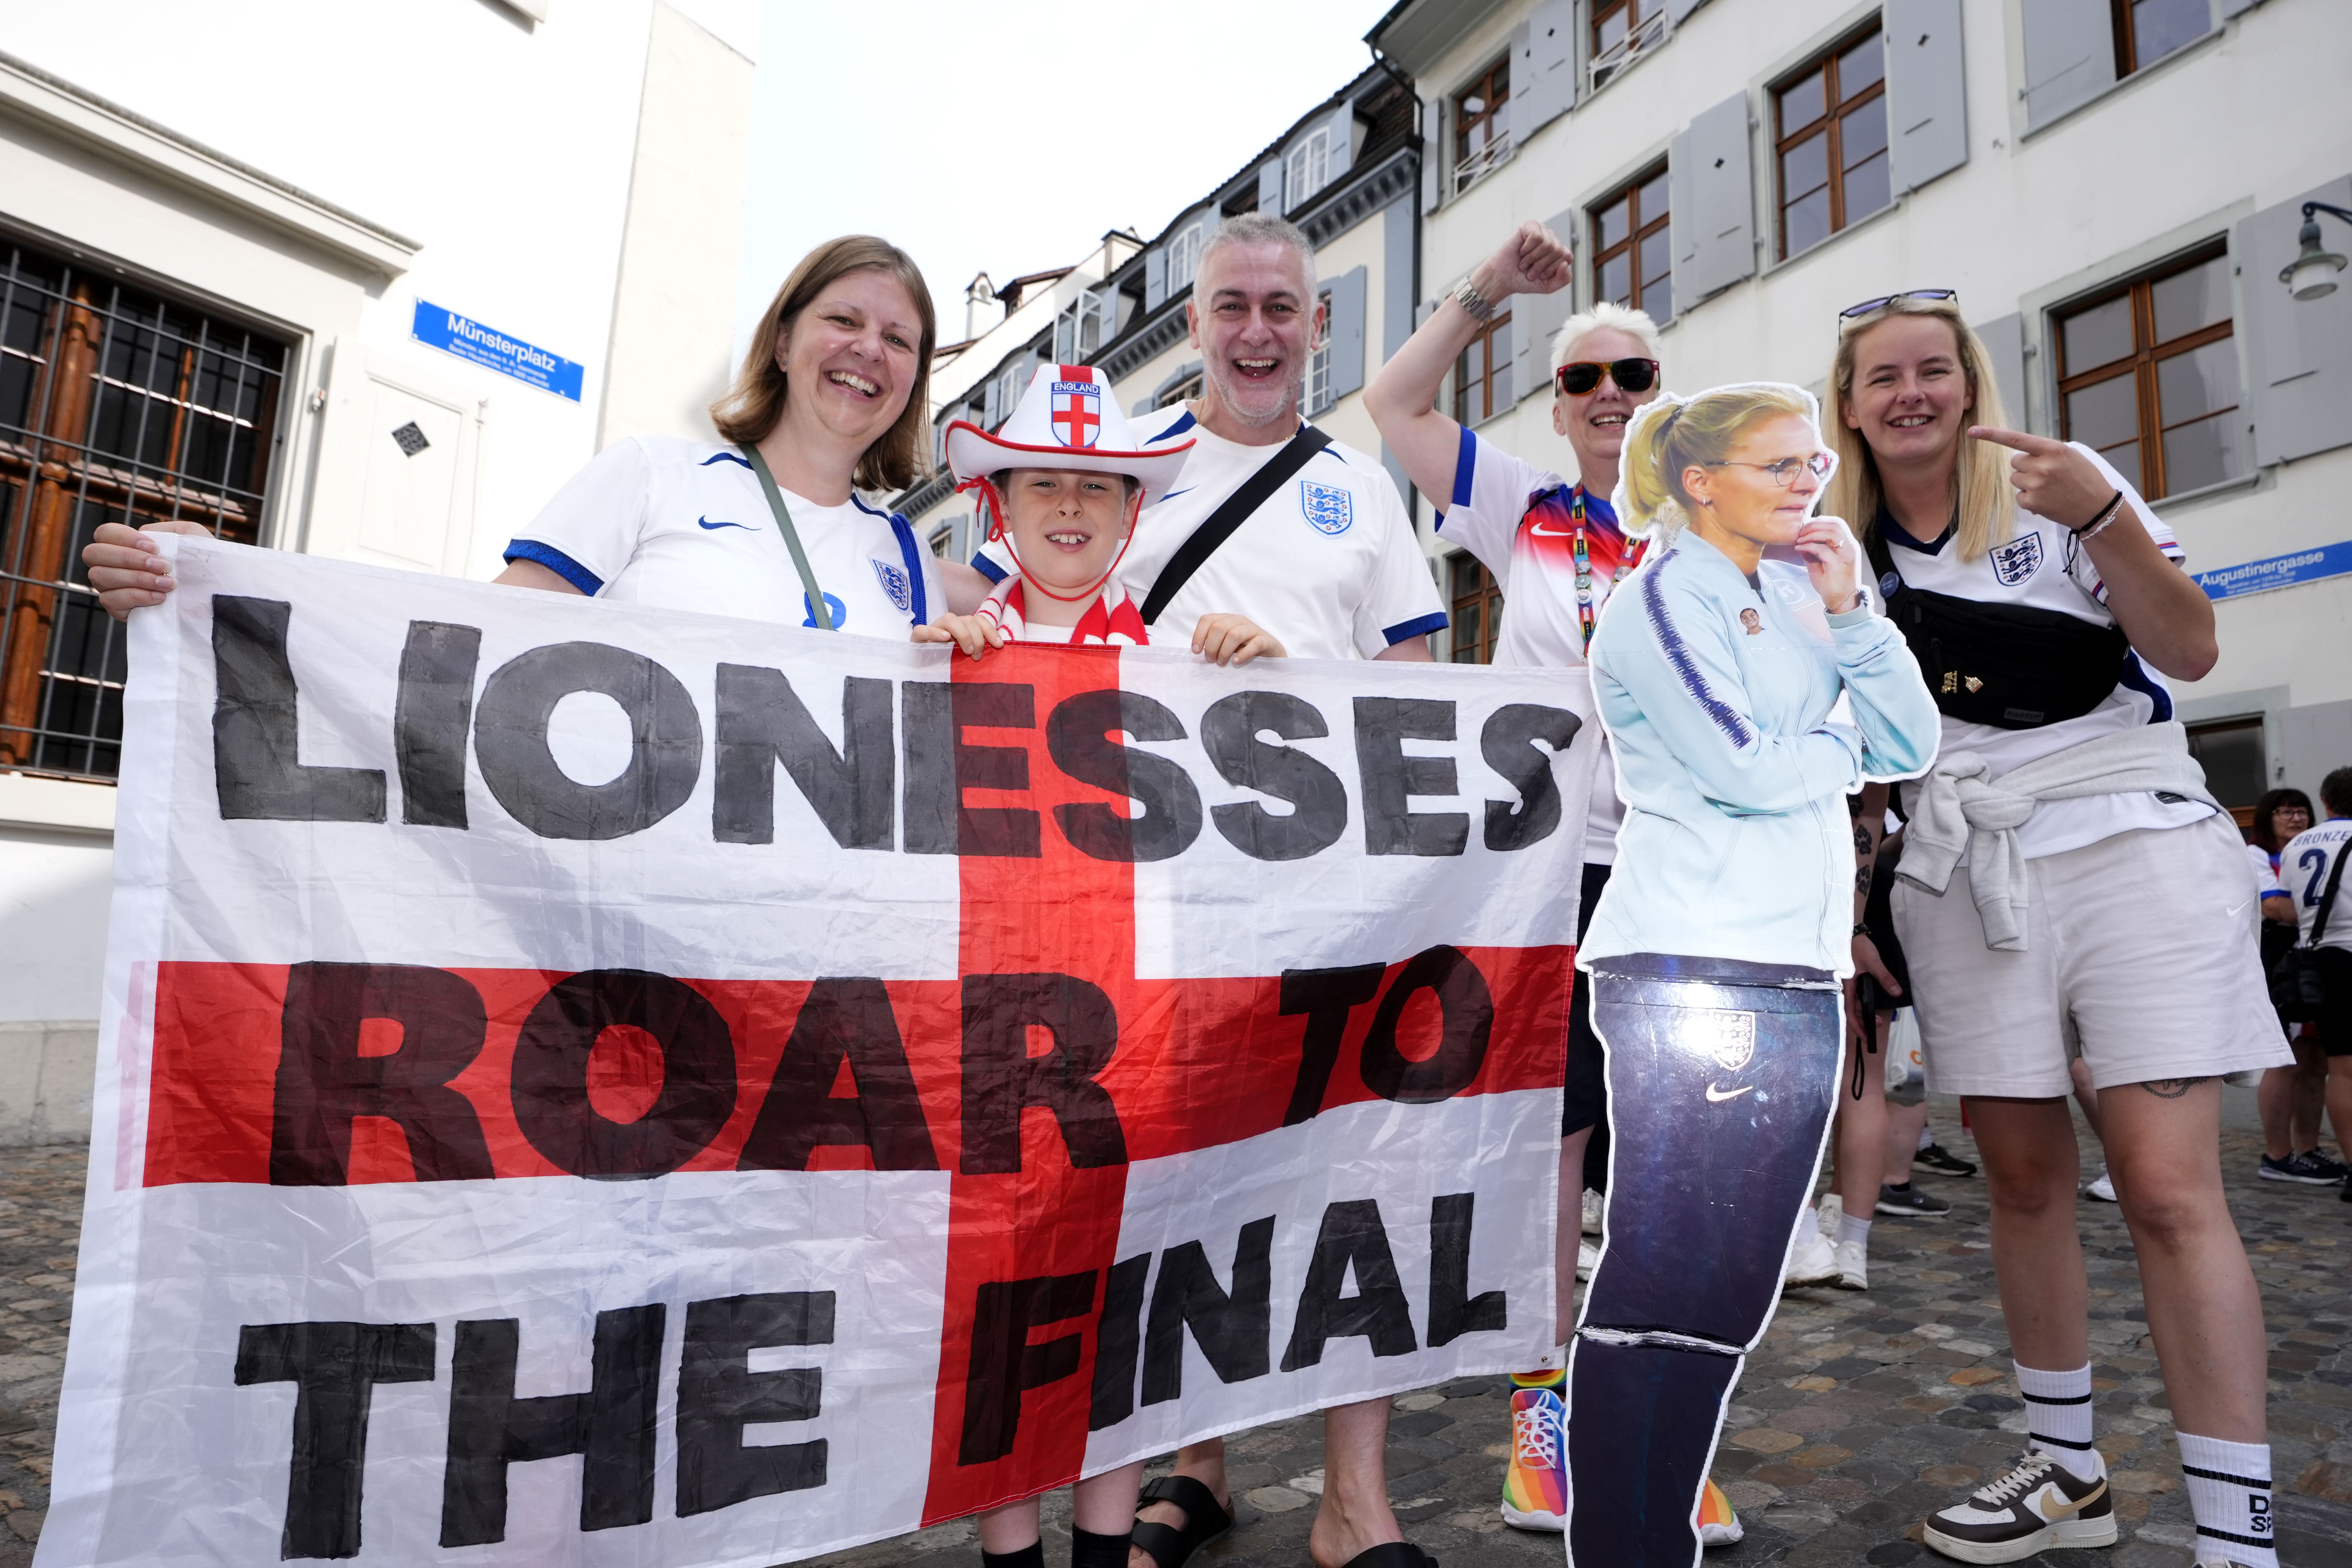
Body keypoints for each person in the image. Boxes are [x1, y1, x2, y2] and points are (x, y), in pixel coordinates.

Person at [964, 213, 1448, 1568]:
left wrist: (1299, 688)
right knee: (1166, 1184)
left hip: (1321, 891)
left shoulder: (1358, 489)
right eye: (1231, 304)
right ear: (1193, 324)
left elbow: (1414, 689)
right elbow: (1007, 620)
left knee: (1351, 1165)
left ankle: (1356, 1502)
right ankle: (1196, 1468)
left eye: (1282, 307)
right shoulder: (1121, 471)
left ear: (1317, 325)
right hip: (1145, 900)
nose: (1256, 330)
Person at [1824, 291, 2293, 1566]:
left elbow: (2190, 649)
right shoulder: (1836, 554)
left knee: (2165, 1186)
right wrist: (1854, 906)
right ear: (1849, 405)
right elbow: (1857, 762)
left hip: (2131, 838)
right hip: (1957, 867)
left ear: (1969, 384)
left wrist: (2101, 517)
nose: (1911, 393)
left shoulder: (2063, 491)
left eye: (1933, 369)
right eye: (1883, 377)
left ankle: (2236, 1535)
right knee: (2022, 1179)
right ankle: (2068, 1473)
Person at [1363, 224, 1749, 1542]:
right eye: (1583, 377)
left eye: (1631, 376)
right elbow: (1393, 403)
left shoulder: (1714, 532)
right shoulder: (1521, 506)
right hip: (1547, 877)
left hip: (1681, 880)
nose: (1607, 396)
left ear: (1662, 397)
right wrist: (1483, 294)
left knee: (1671, 1165)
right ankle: (1541, 1412)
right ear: (1557, 401)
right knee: (1557, 1149)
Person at [1568, 382, 1937, 1566]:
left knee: (1728, 1286)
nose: (1806, 481)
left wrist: (1855, 616)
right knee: (1664, 1273)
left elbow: (1911, 744)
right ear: (1698, 483)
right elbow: (1742, 770)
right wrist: (1838, 745)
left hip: (1794, 967)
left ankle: (1655, 1536)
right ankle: (1619, 1546)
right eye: (1778, 463)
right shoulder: (1655, 599)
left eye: (1811, 463)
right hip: (1692, 961)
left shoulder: (1797, 592)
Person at [86, 236, 950, 638]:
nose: (868, 351)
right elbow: (472, 634)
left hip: (822, 933)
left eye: (899, 339)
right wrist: (230, 585)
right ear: (784, 342)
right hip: (642, 919)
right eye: (844, 320)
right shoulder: (656, 475)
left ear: (913, 380)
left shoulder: (909, 556)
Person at [916, 364, 1280, 668]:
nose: (1069, 504)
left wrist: (1274, 676)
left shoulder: (1180, 665)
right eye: (1044, 484)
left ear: (1128, 514)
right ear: (1003, 508)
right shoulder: (948, 653)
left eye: (1094, 486)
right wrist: (921, 671)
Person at [2249, 787, 2343, 1184]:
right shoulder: (2257, 855)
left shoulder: (2312, 850)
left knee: (2317, 1060)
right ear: (2268, 819)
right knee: (2286, 1059)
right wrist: (2328, 911)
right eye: (2285, 812)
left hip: (2318, 961)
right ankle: (2277, 1154)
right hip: (2284, 963)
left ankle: (2308, 1148)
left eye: (2302, 811)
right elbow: (2274, 908)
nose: (2296, 818)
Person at [2279, 766, 2352, 1206]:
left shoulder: (2298, 845)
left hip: (2323, 958)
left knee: (2341, 1070)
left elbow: (2288, 908)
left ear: (2325, 802)